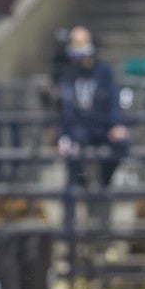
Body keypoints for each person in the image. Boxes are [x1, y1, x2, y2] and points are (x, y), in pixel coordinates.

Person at [55, 26, 128, 188]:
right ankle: (81, 186)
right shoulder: (68, 74)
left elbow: (113, 101)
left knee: (122, 144)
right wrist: (64, 135)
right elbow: (67, 109)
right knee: (71, 154)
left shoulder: (104, 71)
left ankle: (105, 181)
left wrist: (116, 124)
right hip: (80, 128)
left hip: (102, 124)